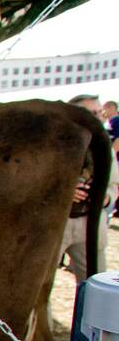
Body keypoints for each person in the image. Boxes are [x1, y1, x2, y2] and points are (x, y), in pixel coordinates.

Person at [57, 94, 115, 284]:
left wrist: (105, 198)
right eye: (91, 113)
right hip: (57, 223)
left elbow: (114, 185)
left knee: (95, 284)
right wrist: (64, 192)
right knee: (40, 286)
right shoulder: (52, 145)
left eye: (99, 112)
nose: (98, 118)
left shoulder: (104, 147)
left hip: (90, 223)